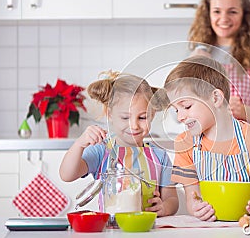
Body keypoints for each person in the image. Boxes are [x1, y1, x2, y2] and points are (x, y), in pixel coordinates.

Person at [163, 55, 250, 221]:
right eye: (176, 110)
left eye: (186, 106)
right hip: (206, 231)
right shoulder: (184, 143)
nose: (180, 117)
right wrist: (197, 210)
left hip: (248, 230)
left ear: (216, 98)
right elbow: (192, 199)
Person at [59, 71, 178, 217]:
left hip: (149, 232)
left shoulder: (159, 156)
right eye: (125, 117)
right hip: (111, 232)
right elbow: (67, 174)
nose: (134, 125)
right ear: (110, 114)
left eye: (142, 117)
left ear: (152, 115)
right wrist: (79, 144)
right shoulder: (102, 151)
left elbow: (171, 198)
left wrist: (165, 207)